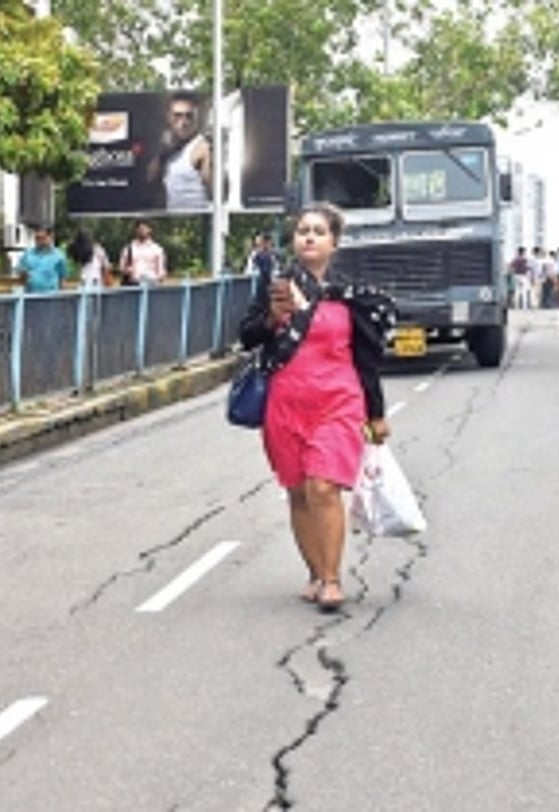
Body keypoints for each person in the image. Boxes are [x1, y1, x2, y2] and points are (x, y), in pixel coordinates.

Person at [238, 203, 397, 612]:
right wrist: (273, 318)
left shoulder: (350, 294)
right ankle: (314, 571)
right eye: (303, 231)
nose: (308, 237)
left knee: (322, 486)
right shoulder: (277, 286)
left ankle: (332, 579)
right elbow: (247, 336)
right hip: (286, 402)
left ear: (334, 242)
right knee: (298, 492)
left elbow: (368, 358)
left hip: (339, 401)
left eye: (318, 231)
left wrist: (376, 413)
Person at [146, 91, 213, 211]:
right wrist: (162, 153)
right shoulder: (168, 147)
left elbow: (214, 193)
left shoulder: (201, 147)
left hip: (195, 218)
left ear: (197, 118)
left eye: (189, 116)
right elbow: (149, 179)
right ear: (169, 118)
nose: (183, 122)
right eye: (178, 116)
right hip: (173, 218)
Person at [17, 227, 67, 293]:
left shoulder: (59, 256)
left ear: (50, 237)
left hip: (51, 298)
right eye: (36, 238)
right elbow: (21, 275)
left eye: (42, 238)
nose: (38, 241)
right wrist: (23, 274)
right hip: (31, 297)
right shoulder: (28, 254)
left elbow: (62, 279)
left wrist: (62, 297)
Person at [119, 219, 167, 285]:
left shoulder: (157, 249)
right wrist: (127, 271)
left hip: (151, 285)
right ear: (136, 230)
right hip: (133, 285)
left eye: (144, 228)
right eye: (140, 228)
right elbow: (122, 268)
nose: (142, 231)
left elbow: (161, 272)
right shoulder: (128, 248)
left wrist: (156, 279)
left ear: (150, 229)